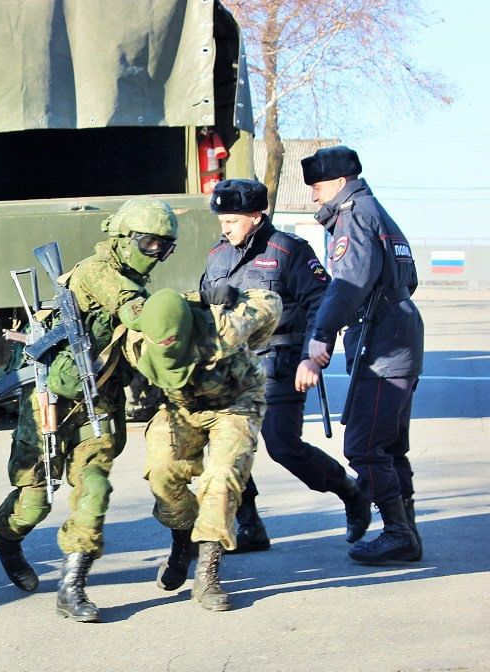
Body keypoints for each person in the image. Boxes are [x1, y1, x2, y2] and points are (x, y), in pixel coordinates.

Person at [0, 198, 178, 622]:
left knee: (94, 487)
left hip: (100, 402)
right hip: (49, 399)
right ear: (125, 238)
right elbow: (136, 313)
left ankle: (72, 586)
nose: (157, 255)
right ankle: (6, 540)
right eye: (150, 244)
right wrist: (188, 307)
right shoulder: (98, 272)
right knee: (35, 499)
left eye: (165, 248)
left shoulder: (132, 280)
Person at [200, 178, 370, 552]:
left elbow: (321, 302)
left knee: (283, 446)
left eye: (232, 219)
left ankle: (350, 491)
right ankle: (250, 525)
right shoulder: (217, 256)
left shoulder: (289, 251)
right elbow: (202, 306)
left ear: (256, 217)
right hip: (229, 372)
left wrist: (312, 354)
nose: (225, 227)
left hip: (278, 366)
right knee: (227, 450)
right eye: (222, 220)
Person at [302, 145, 425, 565]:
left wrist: (321, 333)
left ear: (339, 183)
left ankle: (397, 534)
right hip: (398, 336)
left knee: (365, 446)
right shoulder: (378, 213)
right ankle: (406, 531)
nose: (315, 197)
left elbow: (349, 283)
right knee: (390, 446)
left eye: (318, 187)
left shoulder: (354, 216)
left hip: (382, 346)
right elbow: (409, 278)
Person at [123, 287, 282, 611]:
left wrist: (235, 300)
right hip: (180, 407)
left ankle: (207, 572)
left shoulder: (223, 326)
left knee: (222, 479)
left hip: (235, 403)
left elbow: (272, 303)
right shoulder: (137, 341)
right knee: (162, 470)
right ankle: (183, 544)